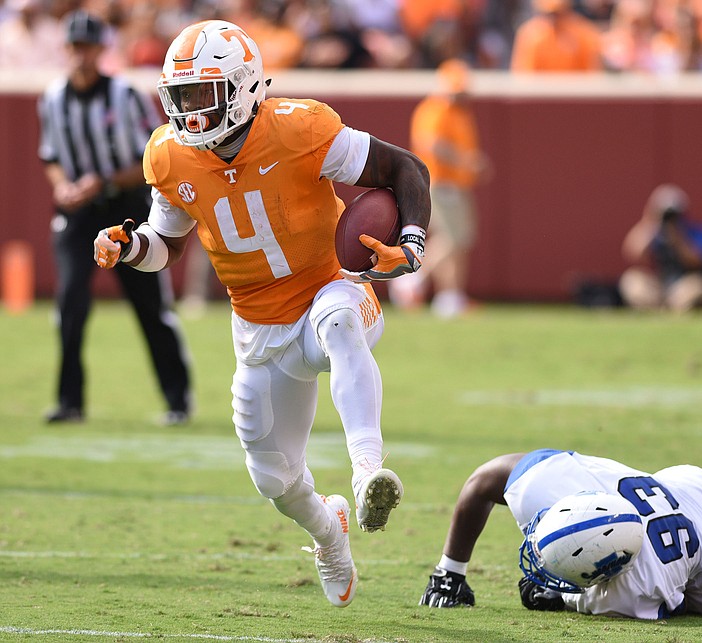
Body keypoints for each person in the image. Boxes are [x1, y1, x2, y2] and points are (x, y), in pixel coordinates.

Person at [92, 19, 430, 607]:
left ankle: (368, 468)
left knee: (340, 324)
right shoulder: (169, 155)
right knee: (273, 479)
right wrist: (129, 248)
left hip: (331, 286)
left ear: (245, 88)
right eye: (183, 99)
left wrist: (412, 243)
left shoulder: (301, 128)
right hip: (258, 326)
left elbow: (407, 169)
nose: (192, 115)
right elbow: (166, 243)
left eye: (204, 97)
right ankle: (330, 531)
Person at [419, 415, 702, 618]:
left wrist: (559, 596)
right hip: (690, 491)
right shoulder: (550, 483)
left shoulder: (633, 589)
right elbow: (484, 481)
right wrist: (449, 573)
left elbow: (677, 603)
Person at [38, 10, 192, 426]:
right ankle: (70, 401)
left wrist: (103, 180)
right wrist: (62, 187)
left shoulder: (124, 94)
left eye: (87, 47)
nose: (80, 56)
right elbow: (51, 155)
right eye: (74, 47)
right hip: (77, 212)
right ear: (65, 50)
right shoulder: (53, 97)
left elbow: (155, 155)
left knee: (150, 305)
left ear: (101, 50)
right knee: (70, 301)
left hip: (125, 209)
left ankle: (177, 398)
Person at [390, 58, 488, 318]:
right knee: (454, 238)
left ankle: (450, 297)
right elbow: (431, 143)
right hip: (441, 182)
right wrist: (466, 160)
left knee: (457, 240)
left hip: (456, 183)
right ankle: (410, 278)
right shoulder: (435, 108)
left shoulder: (459, 111)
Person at [619, 183, 702, 312]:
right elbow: (634, 252)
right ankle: (659, 310)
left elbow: (697, 261)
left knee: (693, 289)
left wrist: (678, 239)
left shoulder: (699, 232)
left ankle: (673, 309)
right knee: (632, 280)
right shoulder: (655, 232)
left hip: (694, 283)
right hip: (664, 287)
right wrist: (651, 221)